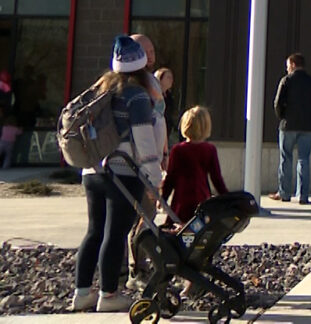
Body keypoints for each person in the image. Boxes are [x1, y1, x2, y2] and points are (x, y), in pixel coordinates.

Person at [73, 35, 164, 312]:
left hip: (93, 170)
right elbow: (144, 140)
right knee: (115, 233)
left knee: (94, 231)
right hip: (123, 172)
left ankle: (82, 292)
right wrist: (154, 179)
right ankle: (109, 295)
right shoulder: (136, 94)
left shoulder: (101, 88)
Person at [270, 53, 311, 204]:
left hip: (288, 125)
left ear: (293, 64)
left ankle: (284, 193)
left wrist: (282, 116)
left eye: (288, 65)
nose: (287, 68)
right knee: (304, 159)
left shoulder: (286, 80)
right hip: (307, 126)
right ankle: (303, 195)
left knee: (285, 158)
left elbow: (278, 103)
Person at [161, 106, 228, 226]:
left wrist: (163, 198)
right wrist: (227, 199)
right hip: (201, 198)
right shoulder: (209, 149)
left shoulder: (178, 150)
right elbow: (216, 179)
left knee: (178, 232)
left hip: (181, 200)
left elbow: (170, 179)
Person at [155, 67, 178, 142]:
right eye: (168, 77)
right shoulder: (154, 95)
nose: (171, 80)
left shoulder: (169, 96)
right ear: (160, 79)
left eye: (172, 77)